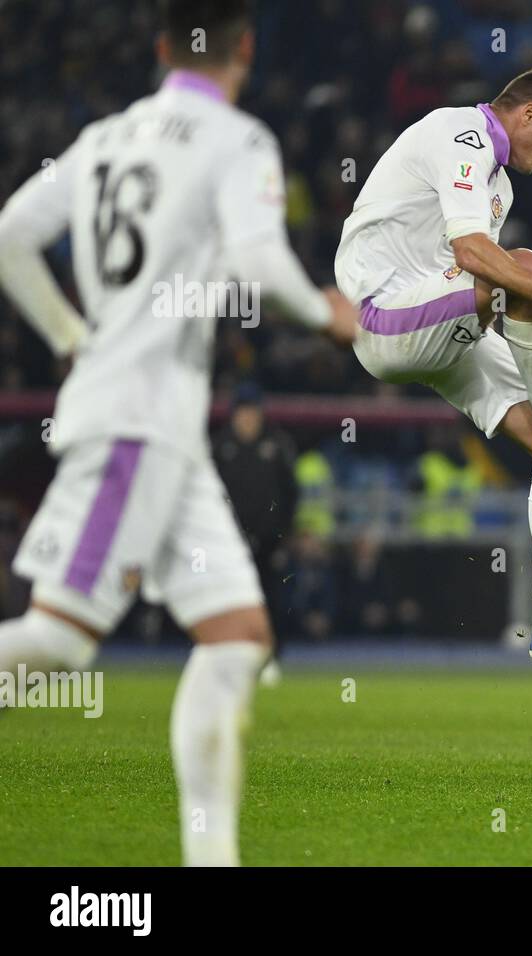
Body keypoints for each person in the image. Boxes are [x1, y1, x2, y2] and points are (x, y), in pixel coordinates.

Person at [0, 0, 357, 864]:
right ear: (246, 50)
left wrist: (69, 336)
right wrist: (325, 313)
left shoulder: (104, 138)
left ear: (162, 48)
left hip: (161, 429)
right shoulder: (237, 142)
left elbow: (10, 235)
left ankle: (212, 859)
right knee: (55, 642)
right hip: (137, 424)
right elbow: (259, 265)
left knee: (236, 638)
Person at [335, 67, 532, 671]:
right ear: (527, 113)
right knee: (523, 263)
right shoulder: (460, 134)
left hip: (439, 318)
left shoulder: (500, 186)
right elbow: (474, 256)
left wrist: (525, 308)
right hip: (385, 312)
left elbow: (478, 280)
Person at [212, 381, 299, 683]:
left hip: (268, 542)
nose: (248, 418)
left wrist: (282, 533)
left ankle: (271, 658)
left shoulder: (276, 444)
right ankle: (228, 658)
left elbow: (290, 493)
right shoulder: (220, 446)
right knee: (228, 600)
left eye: (253, 411)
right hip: (229, 542)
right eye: (243, 411)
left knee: (271, 599)